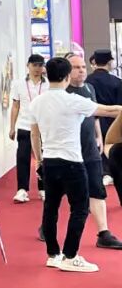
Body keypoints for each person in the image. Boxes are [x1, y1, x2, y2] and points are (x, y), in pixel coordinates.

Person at [29, 56, 122, 273]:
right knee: (79, 209)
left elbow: (34, 134)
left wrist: (39, 160)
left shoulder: (37, 102)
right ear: (67, 76)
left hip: (50, 161)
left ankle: (53, 254)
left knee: (50, 208)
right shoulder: (72, 100)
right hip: (72, 162)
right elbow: (110, 110)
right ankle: (70, 256)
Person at [63, 53, 122, 249]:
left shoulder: (89, 88)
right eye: (76, 67)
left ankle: (104, 233)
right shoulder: (62, 94)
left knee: (97, 190)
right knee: (58, 193)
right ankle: (46, 227)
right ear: (67, 71)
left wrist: (99, 137)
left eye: (82, 66)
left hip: (89, 150)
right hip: (67, 152)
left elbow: (95, 114)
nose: (81, 70)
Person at [9, 54, 47, 203]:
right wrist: (12, 127)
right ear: (28, 65)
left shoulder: (48, 84)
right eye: (34, 65)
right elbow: (15, 106)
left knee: (43, 158)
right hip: (25, 125)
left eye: (40, 65)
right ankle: (22, 190)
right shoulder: (18, 84)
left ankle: (43, 188)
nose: (37, 68)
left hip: (43, 127)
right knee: (22, 158)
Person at [86, 49, 122, 185]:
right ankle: (111, 172)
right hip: (113, 120)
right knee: (112, 147)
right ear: (110, 62)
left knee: (94, 147)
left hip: (92, 118)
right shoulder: (117, 82)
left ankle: (99, 173)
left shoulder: (87, 81)